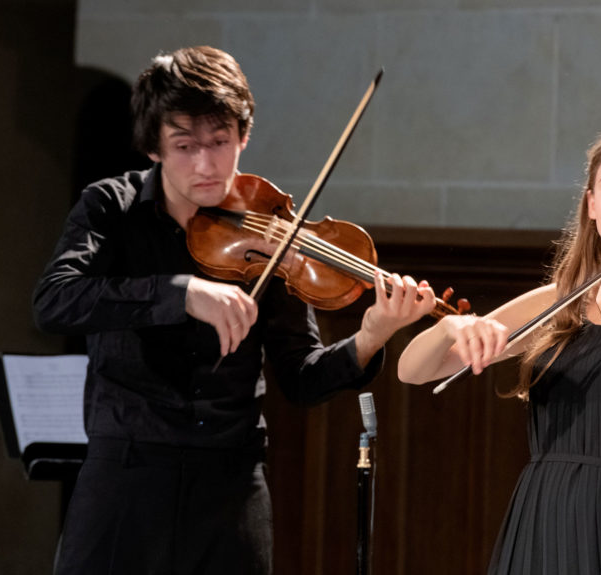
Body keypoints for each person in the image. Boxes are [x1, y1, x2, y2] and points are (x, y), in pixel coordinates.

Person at [33, 45, 436, 575]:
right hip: (126, 477)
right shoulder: (110, 207)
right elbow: (55, 301)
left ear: (243, 137)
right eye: (184, 146)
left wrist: (371, 336)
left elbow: (301, 376)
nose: (206, 165)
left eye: (221, 142)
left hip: (231, 484)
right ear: (153, 147)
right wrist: (181, 292)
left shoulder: (270, 228)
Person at [397, 122, 601, 574]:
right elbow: (412, 371)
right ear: (592, 206)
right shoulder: (560, 300)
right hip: (545, 510)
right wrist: (452, 327)